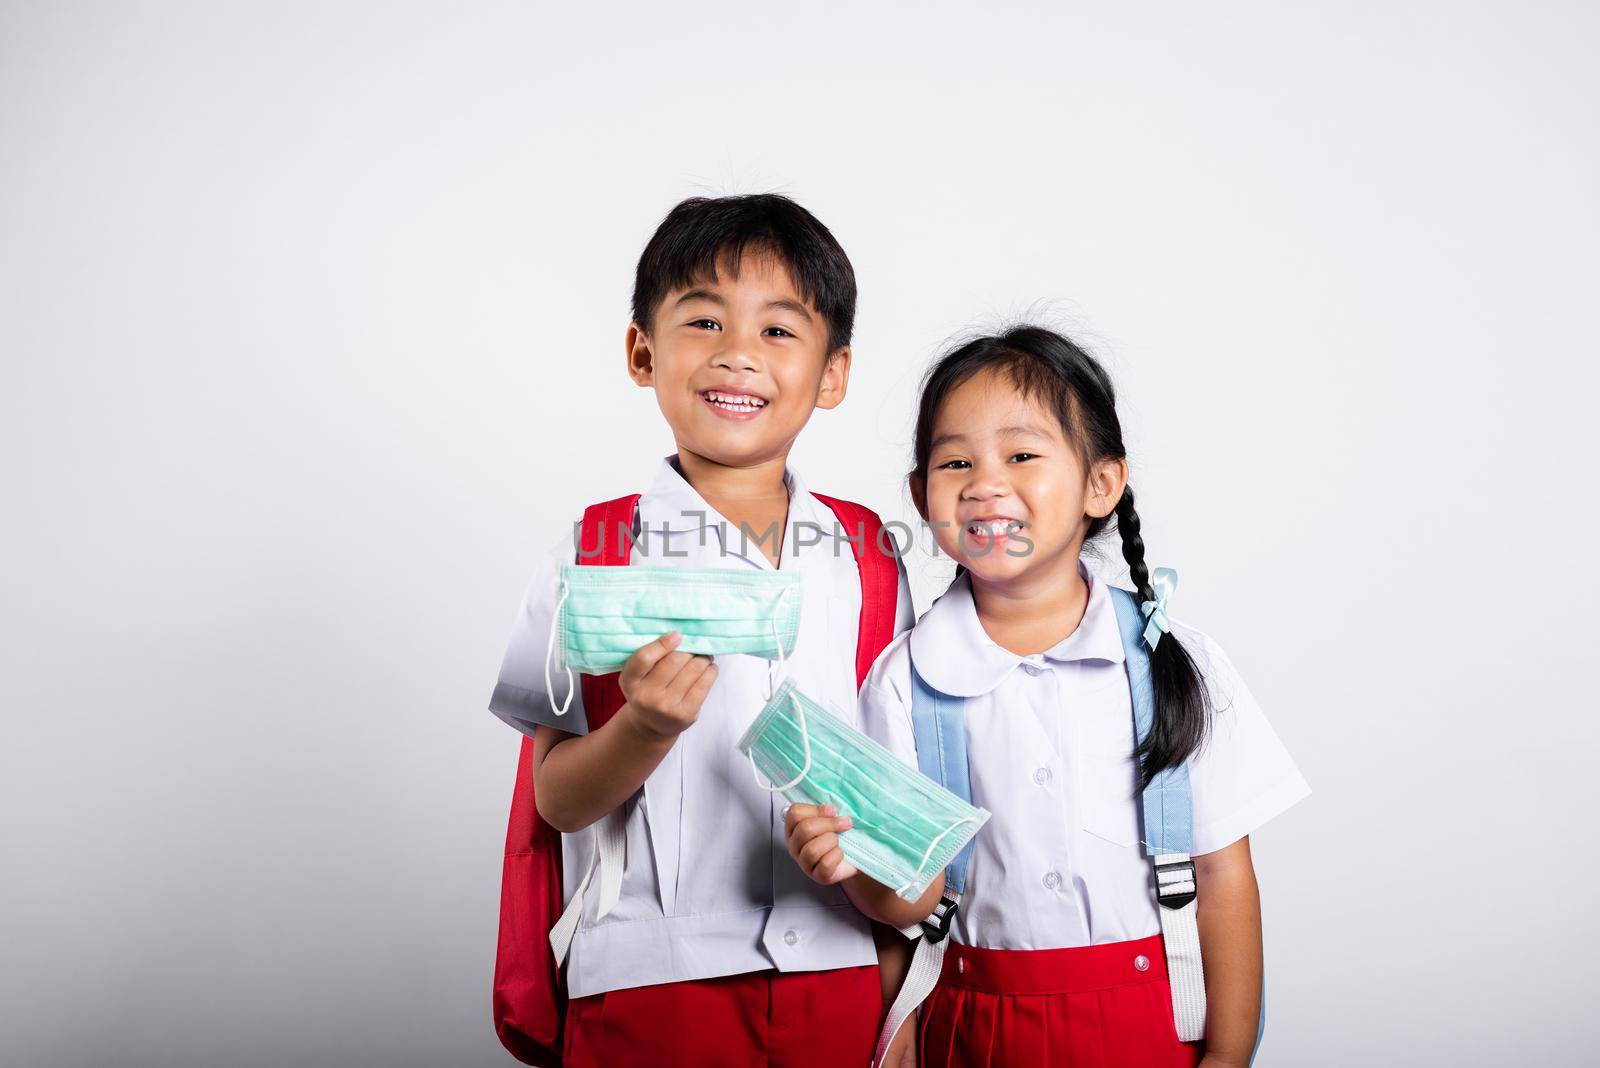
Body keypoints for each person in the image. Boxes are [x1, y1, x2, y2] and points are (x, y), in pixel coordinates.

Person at [786, 324, 1310, 1067]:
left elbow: (1223, 872)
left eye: (1023, 455)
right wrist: (850, 860)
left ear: (1101, 484)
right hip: (973, 1026)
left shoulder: (1174, 660)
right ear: (920, 495)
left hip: (1151, 1023)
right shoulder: (903, 680)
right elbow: (906, 902)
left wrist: (1227, 1056)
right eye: (956, 461)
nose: (985, 482)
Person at [488, 193, 916, 1068]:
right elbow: (555, 800)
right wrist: (643, 728)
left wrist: (898, 973)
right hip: (651, 988)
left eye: (779, 332)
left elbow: (897, 791)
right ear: (642, 352)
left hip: (838, 979)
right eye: (705, 319)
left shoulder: (868, 554)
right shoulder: (596, 548)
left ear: (833, 374)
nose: (737, 355)